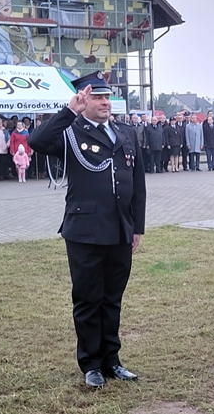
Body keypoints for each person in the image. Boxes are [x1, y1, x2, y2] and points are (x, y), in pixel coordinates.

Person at [28, 72, 147, 388]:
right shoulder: (70, 132)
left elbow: (137, 184)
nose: (105, 102)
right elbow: (36, 141)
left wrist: (137, 226)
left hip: (120, 229)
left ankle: (112, 360)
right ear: (83, 99)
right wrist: (70, 111)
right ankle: (91, 364)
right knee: (88, 299)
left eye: (107, 97)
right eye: (97, 97)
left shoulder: (125, 132)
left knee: (112, 298)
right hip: (85, 230)